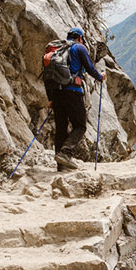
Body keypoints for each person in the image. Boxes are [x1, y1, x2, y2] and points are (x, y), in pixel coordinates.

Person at [51, 27, 104, 171]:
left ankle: (61, 165)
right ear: (80, 38)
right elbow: (90, 67)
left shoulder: (58, 50)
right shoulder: (79, 47)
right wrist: (100, 77)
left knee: (61, 127)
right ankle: (65, 154)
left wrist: (51, 97)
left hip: (56, 93)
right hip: (72, 91)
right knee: (80, 125)